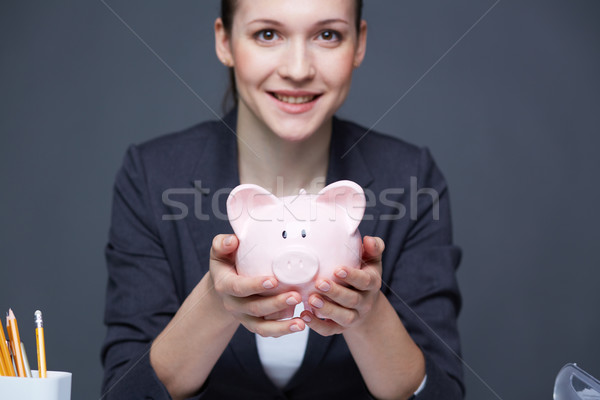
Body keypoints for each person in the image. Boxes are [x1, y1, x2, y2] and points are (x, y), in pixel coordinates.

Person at [100, 1, 464, 399]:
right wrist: (218, 303)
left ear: (358, 44)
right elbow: (124, 391)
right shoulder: (153, 175)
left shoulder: (410, 177)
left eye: (328, 35)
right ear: (225, 41)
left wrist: (367, 315)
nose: (297, 69)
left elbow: (443, 392)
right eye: (267, 34)